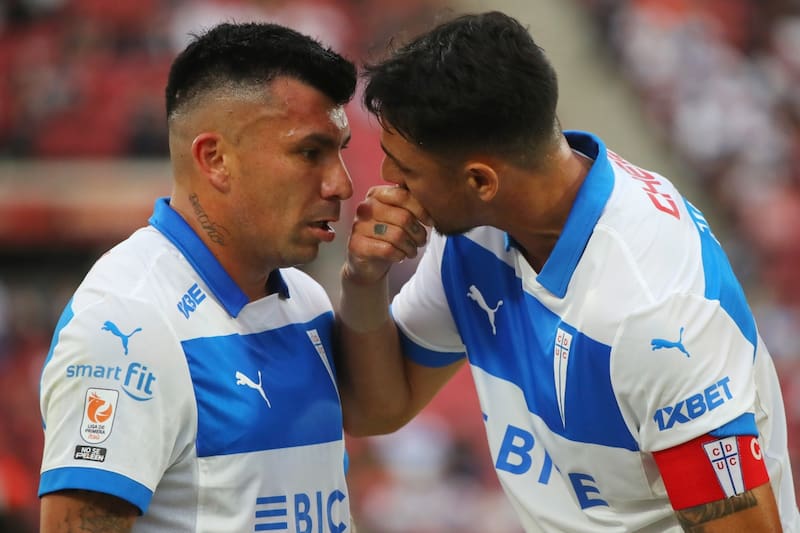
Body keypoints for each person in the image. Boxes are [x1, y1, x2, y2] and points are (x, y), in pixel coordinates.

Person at [335, 10, 800, 532]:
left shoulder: (651, 309)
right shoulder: (477, 236)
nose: (388, 182)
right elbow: (377, 410)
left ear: (481, 181)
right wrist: (363, 281)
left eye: (406, 167)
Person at [39, 22, 356, 532]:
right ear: (216, 160)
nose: (342, 182)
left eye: (340, 150)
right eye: (309, 152)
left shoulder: (306, 301)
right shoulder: (128, 324)